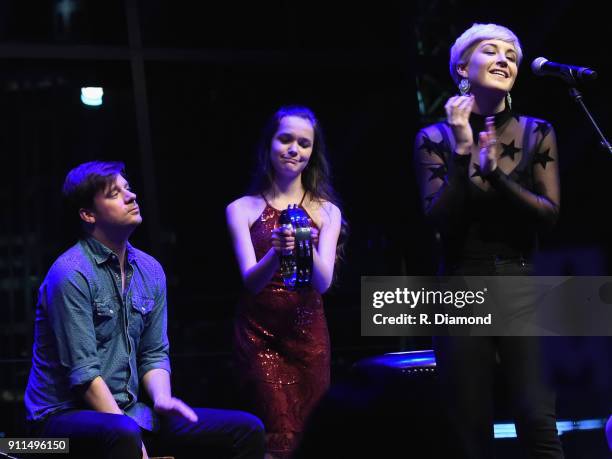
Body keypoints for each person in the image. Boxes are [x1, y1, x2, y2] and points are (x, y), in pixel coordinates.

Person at [25, 161, 265, 459]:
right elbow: (84, 376)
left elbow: (153, 353)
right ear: (88, 214)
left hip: (130, 414)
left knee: (246, 429)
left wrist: (161, 398)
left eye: (128, 188)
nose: (131, 196)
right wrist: (133, 436)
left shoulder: (150, 271)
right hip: (53, 429)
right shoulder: (70, 274)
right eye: (115, 193)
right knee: (122, 434)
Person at [414, 24, 564, 457]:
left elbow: (549, 216)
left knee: (538, 421)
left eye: (511, 56)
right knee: (469, 429)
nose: (504, 60)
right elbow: (438, 220)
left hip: (525, 286)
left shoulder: (538, 131)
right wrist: (463, 155)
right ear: (463, 67)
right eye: (491, 51)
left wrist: (496, 175)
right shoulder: (433, 139)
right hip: (461, 288)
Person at [226, 106, 343, 458]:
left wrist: (303, 243)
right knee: (275, 439)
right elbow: (251, 281)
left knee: (312, 438)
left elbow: (322, 283)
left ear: (312, 153)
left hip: (309, 336)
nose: (294, 149)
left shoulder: (327, 210)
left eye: (304, 143)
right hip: (261, 335)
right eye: (286, 139)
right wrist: (276, 252)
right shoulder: (242, 208)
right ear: (270, 144)